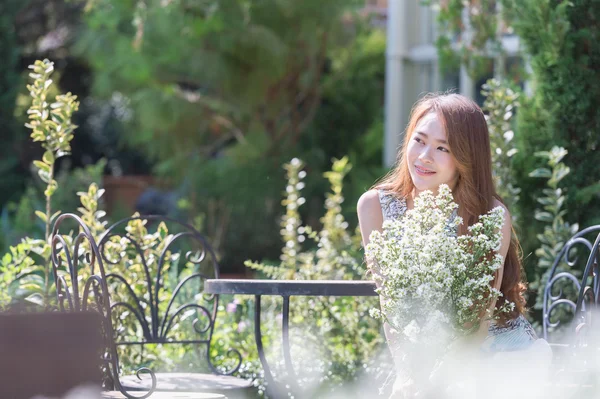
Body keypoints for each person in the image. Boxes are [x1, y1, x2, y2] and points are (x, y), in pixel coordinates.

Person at [357, 93, 551, 397]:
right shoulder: (374, 207)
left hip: (496, 355)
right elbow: (391, 305)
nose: (424, 157)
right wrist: (409, 374)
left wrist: (437, 381)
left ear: (466, 156)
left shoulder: (489, 215)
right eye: (419, 140)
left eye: (442, 148)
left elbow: (479, 319)